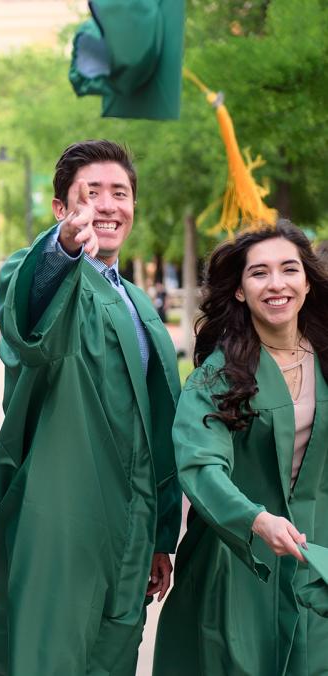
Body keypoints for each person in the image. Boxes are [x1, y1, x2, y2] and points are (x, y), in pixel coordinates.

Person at [0, 140, 182, 675]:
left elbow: (158, 423)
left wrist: (162, 535)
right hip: (65, 516)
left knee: (114, 660)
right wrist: (63, 248)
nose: (108, 205)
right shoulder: (46, 270)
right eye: (90, 194)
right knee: (50, 662)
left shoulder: (136, 301)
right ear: (60, 211)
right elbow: (27, 324)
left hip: (133, 524)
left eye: (120, 192)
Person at [153, 221, 328, 675]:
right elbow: (200, 464)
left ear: (307, 282)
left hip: (315, 557)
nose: (276, 284)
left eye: (289, 269)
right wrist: (253, 518)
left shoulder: (325, 360)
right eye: (259, 273)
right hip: (236, 562)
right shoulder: (218, 377)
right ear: (239, 291)